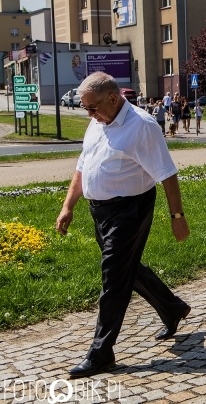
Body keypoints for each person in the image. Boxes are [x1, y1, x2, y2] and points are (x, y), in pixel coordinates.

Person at [55, 72, 191, 378]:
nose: (89, 114)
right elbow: (82, 166)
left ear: (113, 98)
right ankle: (171, 308)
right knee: (126, 268)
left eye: (92, 107)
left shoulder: (141, 126)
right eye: (86, 108)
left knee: (114, 278)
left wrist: (177, 217)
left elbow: (167, 174)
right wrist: (68, 206)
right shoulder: (98, 121)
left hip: (130, 209)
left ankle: (101, 353)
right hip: (100, 211)